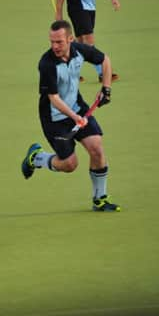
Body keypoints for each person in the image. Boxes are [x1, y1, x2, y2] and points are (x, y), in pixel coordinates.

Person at [21, 20, 120, 212]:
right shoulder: (46, 64)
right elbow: (54, 98)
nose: (55, 46)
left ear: (70, 39)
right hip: (54, 118)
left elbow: (104, 60)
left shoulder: (79, 50)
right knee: (69, 164)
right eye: (52, 42)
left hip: (77, 107)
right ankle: (37, 158)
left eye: (59, 42)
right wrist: (75, 117)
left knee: (97, 148)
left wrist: (105, 88)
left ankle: (100, 199)